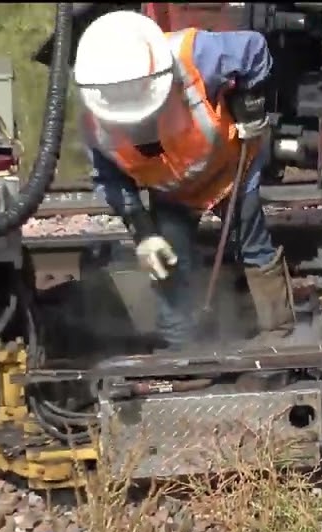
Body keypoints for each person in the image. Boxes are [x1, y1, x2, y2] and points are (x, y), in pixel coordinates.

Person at [72, 10, 295, 351]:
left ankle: (280, 335)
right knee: (170, 262)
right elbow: (112, 182)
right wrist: (144, 234)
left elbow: (255, 49)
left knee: (253, 246)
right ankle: (182, 349)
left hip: (232, 168)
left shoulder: (194, 55)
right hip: (172, 193)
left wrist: (249, 103)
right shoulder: (95, 126)